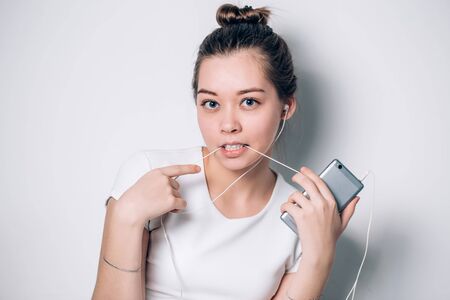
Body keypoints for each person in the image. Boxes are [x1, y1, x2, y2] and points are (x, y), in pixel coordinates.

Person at [92, 3, 360, 300]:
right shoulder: (149, 175)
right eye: (211, 103)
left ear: (286, 107)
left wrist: (320, 257)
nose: (228, 125)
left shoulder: (299, 216)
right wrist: (125, 216)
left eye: (248, 102)